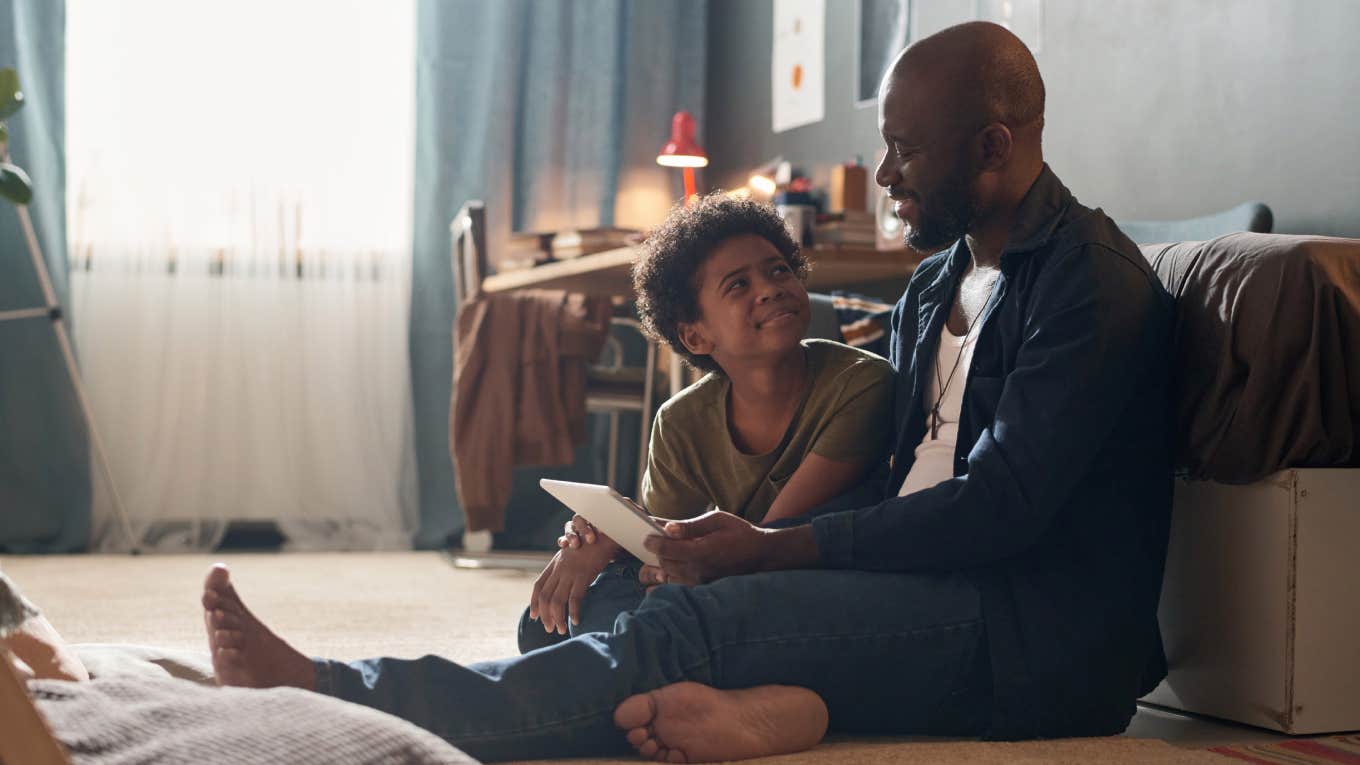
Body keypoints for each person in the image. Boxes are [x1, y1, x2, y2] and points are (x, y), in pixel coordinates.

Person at [201, 20, 1175, 764]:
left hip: (1024, 636)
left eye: (905, 152)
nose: (882, 175)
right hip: (912, 584)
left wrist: (775, 551)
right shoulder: (931, 283)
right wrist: (712, 548)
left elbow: (999, 511)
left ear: (993, 148)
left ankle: (336, 696)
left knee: (690, 624)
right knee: (586, 602)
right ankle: (783, 708)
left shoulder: (1090, 282)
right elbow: (896, 489)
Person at [521, 194, 895, 649]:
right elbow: (661, 554)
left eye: (779, 270)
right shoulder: (679, 421)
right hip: (710, 586)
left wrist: (627, 549)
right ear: (696, 335)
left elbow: (768, 542)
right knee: (544, 623)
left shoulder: (862, 383)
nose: (771, 287)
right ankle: (642, 654)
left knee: (639, 619)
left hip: (795, 581)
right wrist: (604, 540)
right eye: (738, 285)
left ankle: (638, 659)